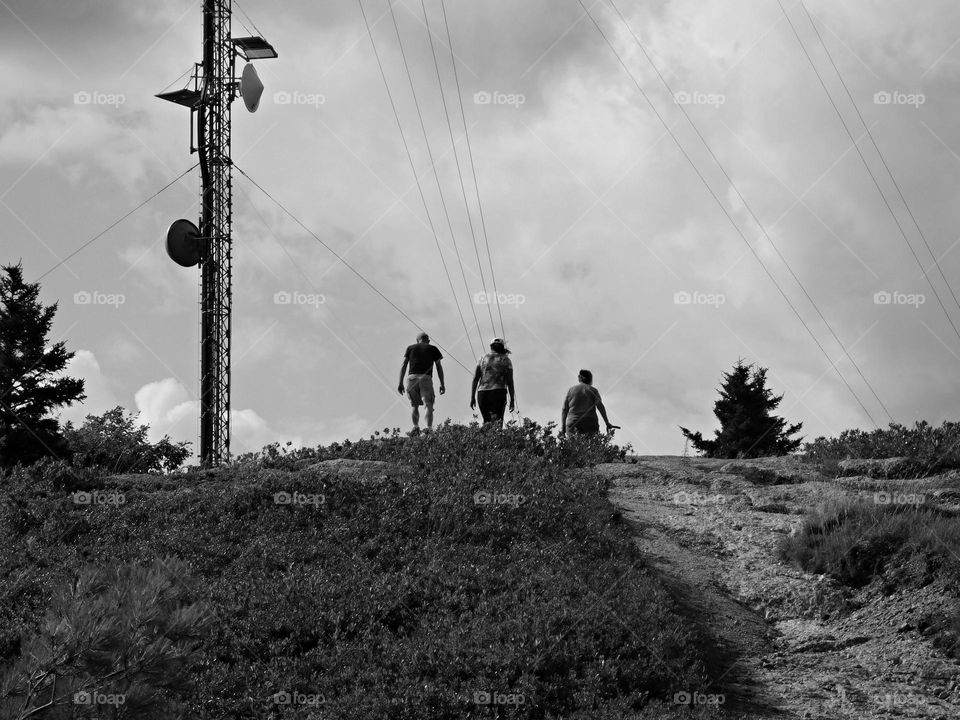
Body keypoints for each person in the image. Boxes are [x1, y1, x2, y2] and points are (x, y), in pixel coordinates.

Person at [398, 332, 445, 435]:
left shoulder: (410, 348)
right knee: (428, 405)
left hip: (412, 378)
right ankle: (429, 428)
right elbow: (439, 367)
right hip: (425, 378)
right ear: (428, 340)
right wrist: (442, 383)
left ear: (417, 340)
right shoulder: (433, 349)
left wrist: (400, 382)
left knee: (414, 405)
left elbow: (404, 365)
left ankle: (415, 427)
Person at [470, 338, 515, 427]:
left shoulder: (482, 358)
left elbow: (475, 378)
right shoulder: (506, 360)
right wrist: (512, 400)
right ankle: (496, 440)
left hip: (482, 393)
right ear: (502, 347)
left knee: (487, 421)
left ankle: (486, 440)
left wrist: (472, 397)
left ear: (491, 347)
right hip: (498, 392)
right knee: (498, 421)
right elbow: (510, 382)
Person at [561, 369, 614, 436]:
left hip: (573, 422)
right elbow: (600, 406)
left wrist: (563, 426)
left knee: (572, 445)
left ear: (579, 377)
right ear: (590, 379)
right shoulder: (593, 390)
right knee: (591, 445)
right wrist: (607, 422)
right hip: (590, 423)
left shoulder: (571, 390)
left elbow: (564, 409)